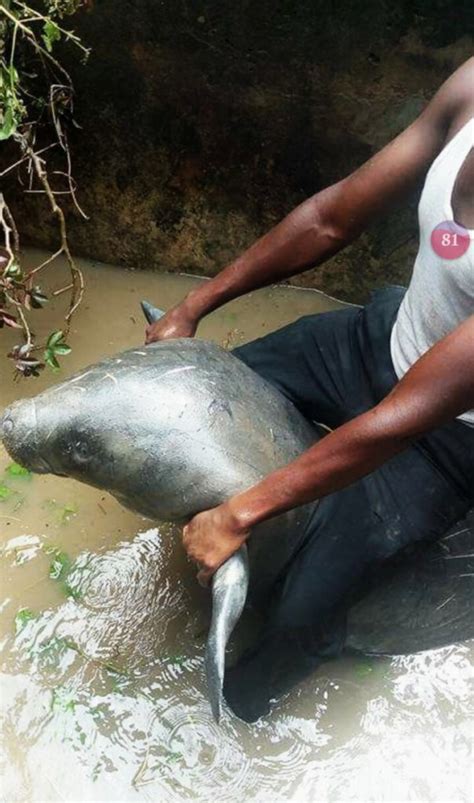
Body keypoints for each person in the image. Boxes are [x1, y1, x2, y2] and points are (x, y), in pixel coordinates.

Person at [145, 58, 474, 721]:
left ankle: (226, 726)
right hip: (381, 338)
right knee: (197, 402)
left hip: (446, 438)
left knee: (304, 611)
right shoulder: (470, 88)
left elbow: (401, 420)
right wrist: (195, 305)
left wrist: (239, 513)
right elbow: (331, 217)